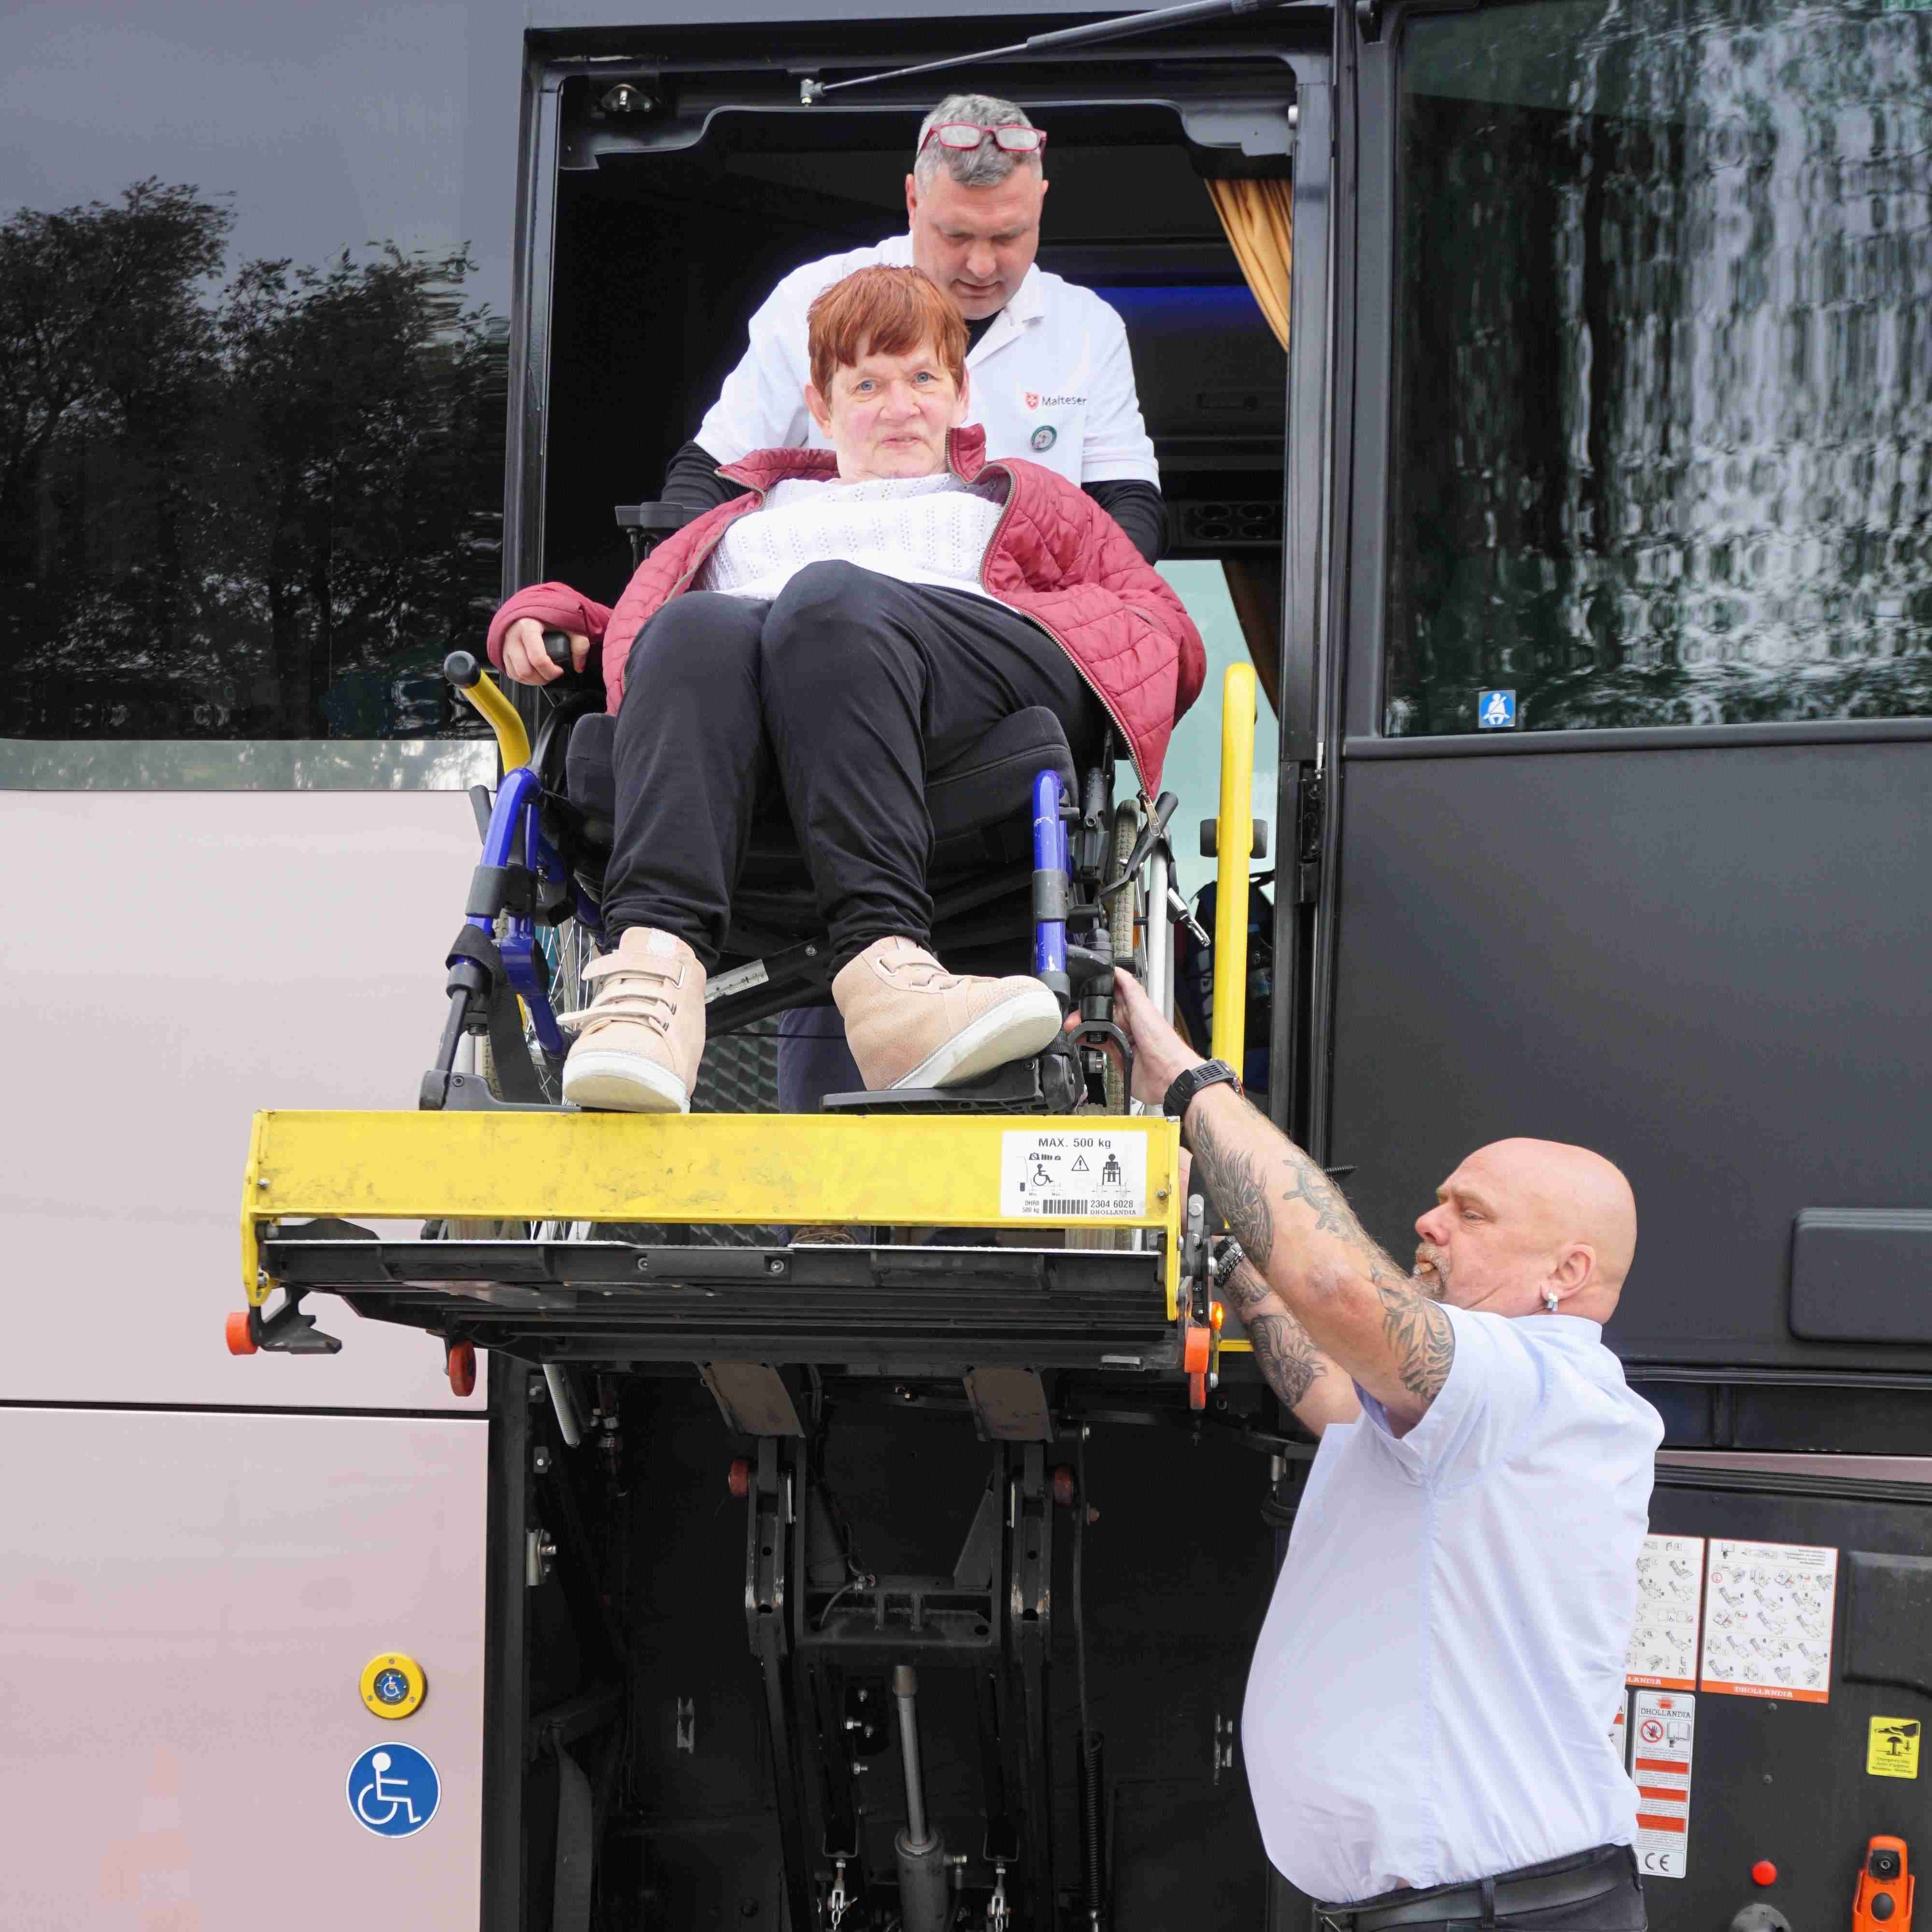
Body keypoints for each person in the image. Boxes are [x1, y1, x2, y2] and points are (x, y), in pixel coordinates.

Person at [484, 266, 1203, 1115]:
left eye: (923, 378)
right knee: (694, 626)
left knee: (829, 602)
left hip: (957, 718)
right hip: (763, 761)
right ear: (820, 408)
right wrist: (556, 620)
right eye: (867, 385)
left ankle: (888, 974)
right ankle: (653, 982)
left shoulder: (1016, 499)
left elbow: (1158, 629)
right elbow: (641, 640)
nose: (900, 406)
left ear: (961, 393)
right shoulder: (745, 519)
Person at [1103, 969, 1663, 1928]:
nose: (1427, 1222)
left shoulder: (1532, 1380)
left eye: (1470, 1214)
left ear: (1566, 1271)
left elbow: (1338, 1286)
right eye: (1441, 1200)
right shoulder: (1486, 1408)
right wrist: (1226, 1251)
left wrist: (1191, 1088)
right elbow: (1329, 1392)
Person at [661, 93, 1166, 569]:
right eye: (956, 235)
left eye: (1008, 236)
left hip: (1021, 608)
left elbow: (1129, 501)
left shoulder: (1087, 325)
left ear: (1041, 203)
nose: (982, 265)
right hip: (830, 599)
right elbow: (713, 474)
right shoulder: (813, 298)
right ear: (912, 200)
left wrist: (1075, 596)